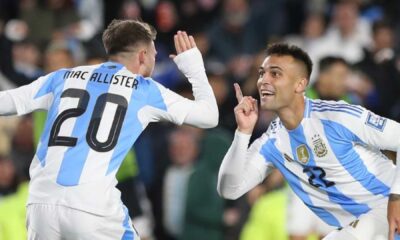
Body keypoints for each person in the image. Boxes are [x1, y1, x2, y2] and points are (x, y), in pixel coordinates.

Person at [0, 19, 218, 240]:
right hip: (91, 206)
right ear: (142, 55)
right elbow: (209, 116)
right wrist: (194, 68)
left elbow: (5, 102)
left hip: (41, 204)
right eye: (153, 54)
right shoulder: (144, 90)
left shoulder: (61, 77)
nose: (154, 59)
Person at [217, 43, 400, 240]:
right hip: (359, 224)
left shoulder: (337, 116)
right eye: (262, 73)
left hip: (387, 203)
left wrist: (396, 197)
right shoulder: (270, 142)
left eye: (275, 74)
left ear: (300, 84)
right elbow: (229, 189)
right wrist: (242, 133)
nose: (263, 81)